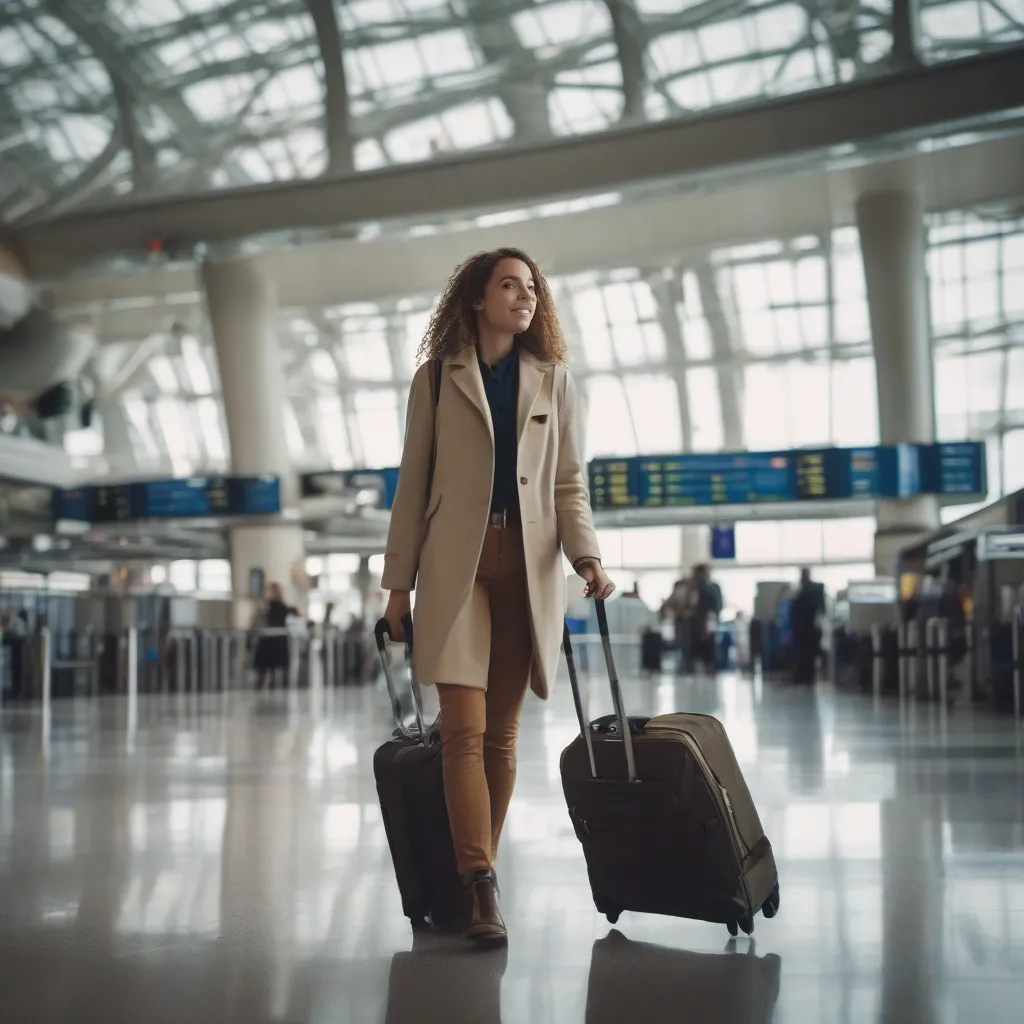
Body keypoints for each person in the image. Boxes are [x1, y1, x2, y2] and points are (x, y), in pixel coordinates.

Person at [381, 247, 614, 948]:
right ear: (477, 299)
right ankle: (481, 885)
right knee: (463, 729)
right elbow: (411, 487)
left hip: (529, 567)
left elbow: (568, 485)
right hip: (456, 565)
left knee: (503, 739)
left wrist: (588, 556)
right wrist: (396, 589)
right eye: (509, 285)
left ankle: (470, 873)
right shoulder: (435, 380)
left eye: (532, 288)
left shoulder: (555, 383)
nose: (526, 296)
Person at [253, 582, 298, 690]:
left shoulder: (282, 607)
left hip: (276, 640)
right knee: (264, 669)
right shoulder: (265, 606)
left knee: (276, 669)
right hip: (268, 640)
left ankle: (276, 688)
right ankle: (263, 688)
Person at [791, 568, 825, 685]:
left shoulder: (800, 591)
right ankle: (808, 677)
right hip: (811, 629)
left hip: (802, 630)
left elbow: (794, 612)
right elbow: (821, 610)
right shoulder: (816, 589)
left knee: (802, 655)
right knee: (810, 655)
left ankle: (802, 677)